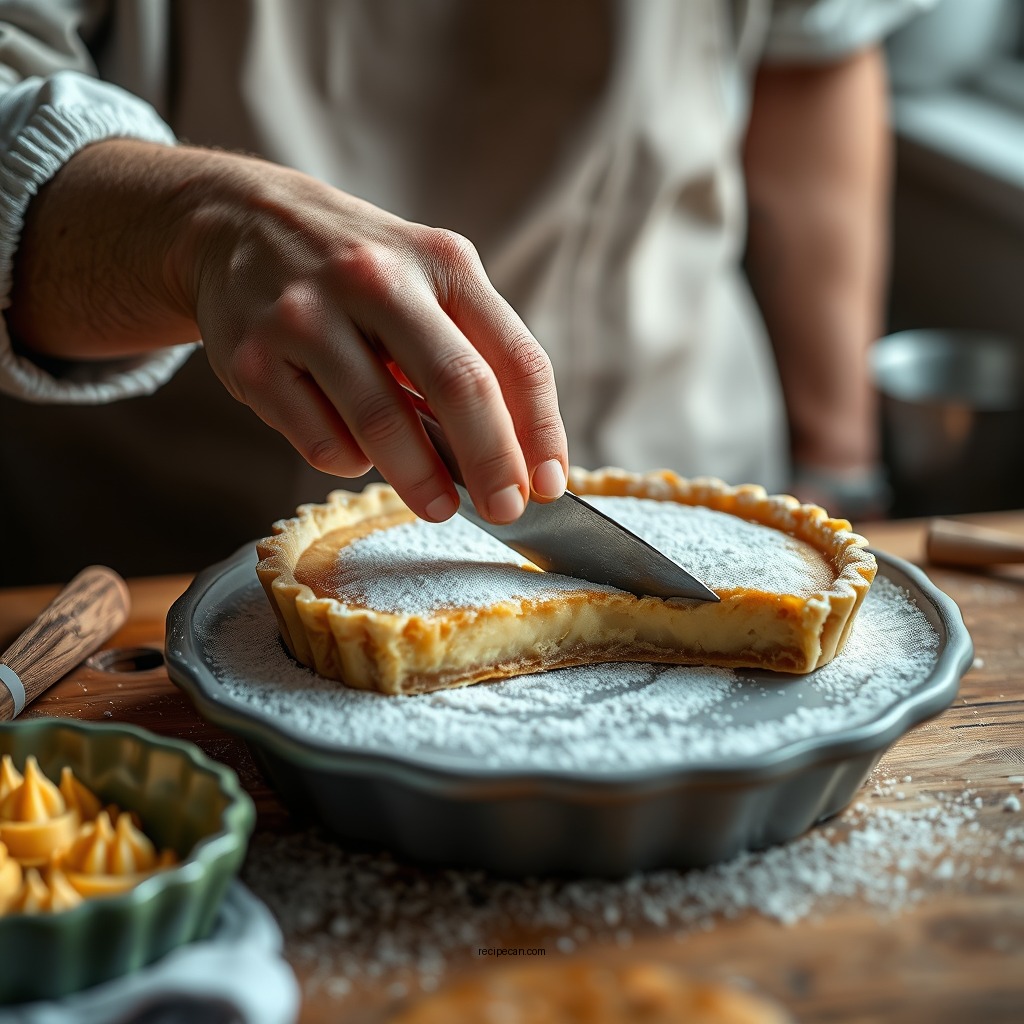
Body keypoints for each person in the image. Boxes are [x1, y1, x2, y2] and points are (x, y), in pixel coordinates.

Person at [0, 0, 922, 585]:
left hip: (699, 469)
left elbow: (814, 54)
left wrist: (839, 464)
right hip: (174, 542)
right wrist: (194, 229)